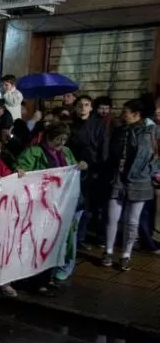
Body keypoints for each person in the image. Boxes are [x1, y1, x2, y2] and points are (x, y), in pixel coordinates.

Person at [16, 122, 87, 293]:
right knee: (40, 243)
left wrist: (81, 166)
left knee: (57, 242)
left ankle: (48, 277)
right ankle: (36, 281)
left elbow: (73, 169)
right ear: (48, 137)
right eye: (58, 139)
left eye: (64, 140)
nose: (61, 143)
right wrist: (21, 172)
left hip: (62, 206)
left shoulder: (67, 152)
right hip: (42, 207)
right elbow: (21, 171)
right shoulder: (34, 152)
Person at [100, 99, 160, 270]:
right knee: (112, 218)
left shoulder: (153, 131)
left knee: (132, 221)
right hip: (118, 178)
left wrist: (152, 169)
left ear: (136, 114)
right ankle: (109, 251)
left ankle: (126, 254)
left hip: (141, 179)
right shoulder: (120, 131)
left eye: (126, 111)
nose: (122, 114)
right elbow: (111, 153)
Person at [68, 95, 109, 248]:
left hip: (92, 170)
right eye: (80, 105)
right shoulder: (70, 124)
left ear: (91, 108)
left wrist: (98, 168)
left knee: (87, 206)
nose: (83, 108)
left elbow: (103, 148)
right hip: (72, 169)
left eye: (86, 105)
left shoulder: (99, 124)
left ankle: (81, 237)